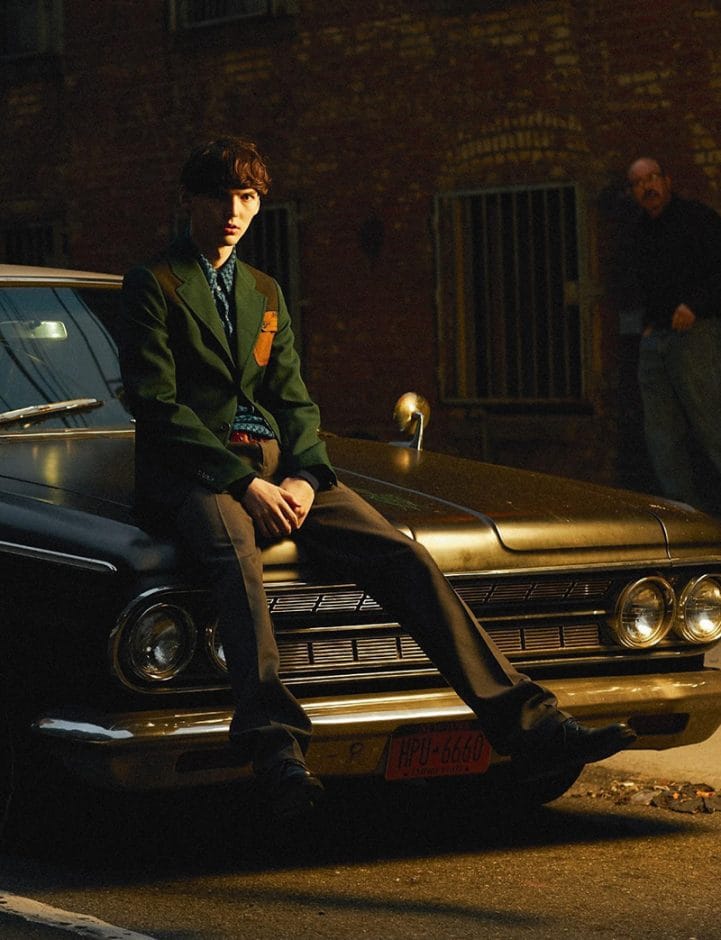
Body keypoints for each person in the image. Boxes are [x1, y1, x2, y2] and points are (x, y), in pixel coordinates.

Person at [118, 137, 635, 819]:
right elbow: (157, 406)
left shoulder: (263, 290)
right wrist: (244, 485)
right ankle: (275, 750)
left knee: (401, 554)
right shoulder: (153, 283)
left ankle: (529, 725)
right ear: (189, 200)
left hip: (277, 464)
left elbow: (293, 400)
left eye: (247, 198)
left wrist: (307, 477)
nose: (234, 212)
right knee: (236, 562)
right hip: (196, 472)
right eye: (220, 196)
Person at [626, 156, 721, 510]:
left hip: (695, 331)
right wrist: (648, 324)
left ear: (667, 180)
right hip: (657, 337)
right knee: (662, 435)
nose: (647, 187)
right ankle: (683, 516)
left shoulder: (696, 219)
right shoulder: (639, 230)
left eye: (652, 178)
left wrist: (695, 306)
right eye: (639, 182)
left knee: (711, 421)